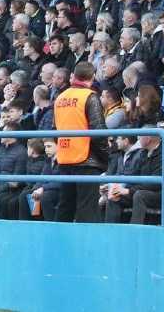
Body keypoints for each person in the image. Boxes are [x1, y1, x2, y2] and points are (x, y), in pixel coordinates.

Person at [53, 61, 107, 223]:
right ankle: (85, 245)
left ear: (74, 76)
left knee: (65, 205)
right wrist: (105, 157)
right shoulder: (89, 97)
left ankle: (59, 241)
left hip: (65, 157)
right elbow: (99, 132)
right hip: (86, 159)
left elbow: (54, 129)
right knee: (87, 208)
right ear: (92, 77)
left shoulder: (60, 98)